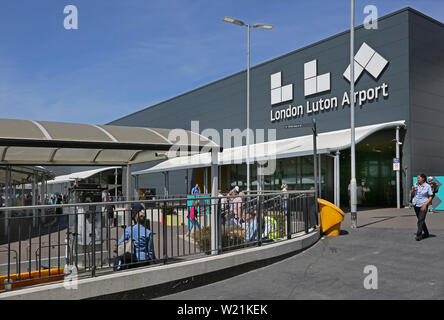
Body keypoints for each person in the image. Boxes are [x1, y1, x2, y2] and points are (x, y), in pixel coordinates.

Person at [114, 203, 154, 271]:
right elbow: (150, 250)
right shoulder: (148, 232)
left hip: (132, 259)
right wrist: (152, 259)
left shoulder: (129, 230)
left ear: (135, 218)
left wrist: (116, 247)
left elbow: (120, 242)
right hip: (144, 259)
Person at [411, 173, 433, 241]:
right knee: (421, 220)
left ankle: (418, 235)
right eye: (417, 178)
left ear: (423, 179)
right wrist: (413, 190)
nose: (418, 180)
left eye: (419, 178)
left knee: (420, 220)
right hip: (416, 204)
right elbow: (412, 195)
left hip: (423, 205)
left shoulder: (427, 186)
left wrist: (425, 204)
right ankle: (426, 233)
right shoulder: (416, 184)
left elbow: (430, 197)